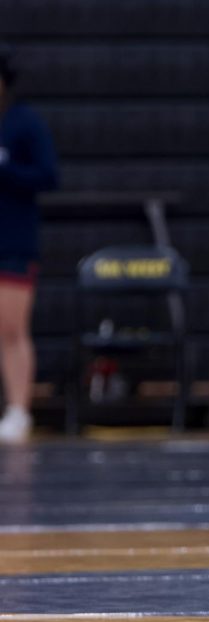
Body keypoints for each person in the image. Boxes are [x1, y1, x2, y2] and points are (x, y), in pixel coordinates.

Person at [0, 50, 58, 445]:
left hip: (13, 242)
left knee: (11, 328)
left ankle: (19, 409)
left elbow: (48, 175)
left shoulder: (24, 122)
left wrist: (5, 167)